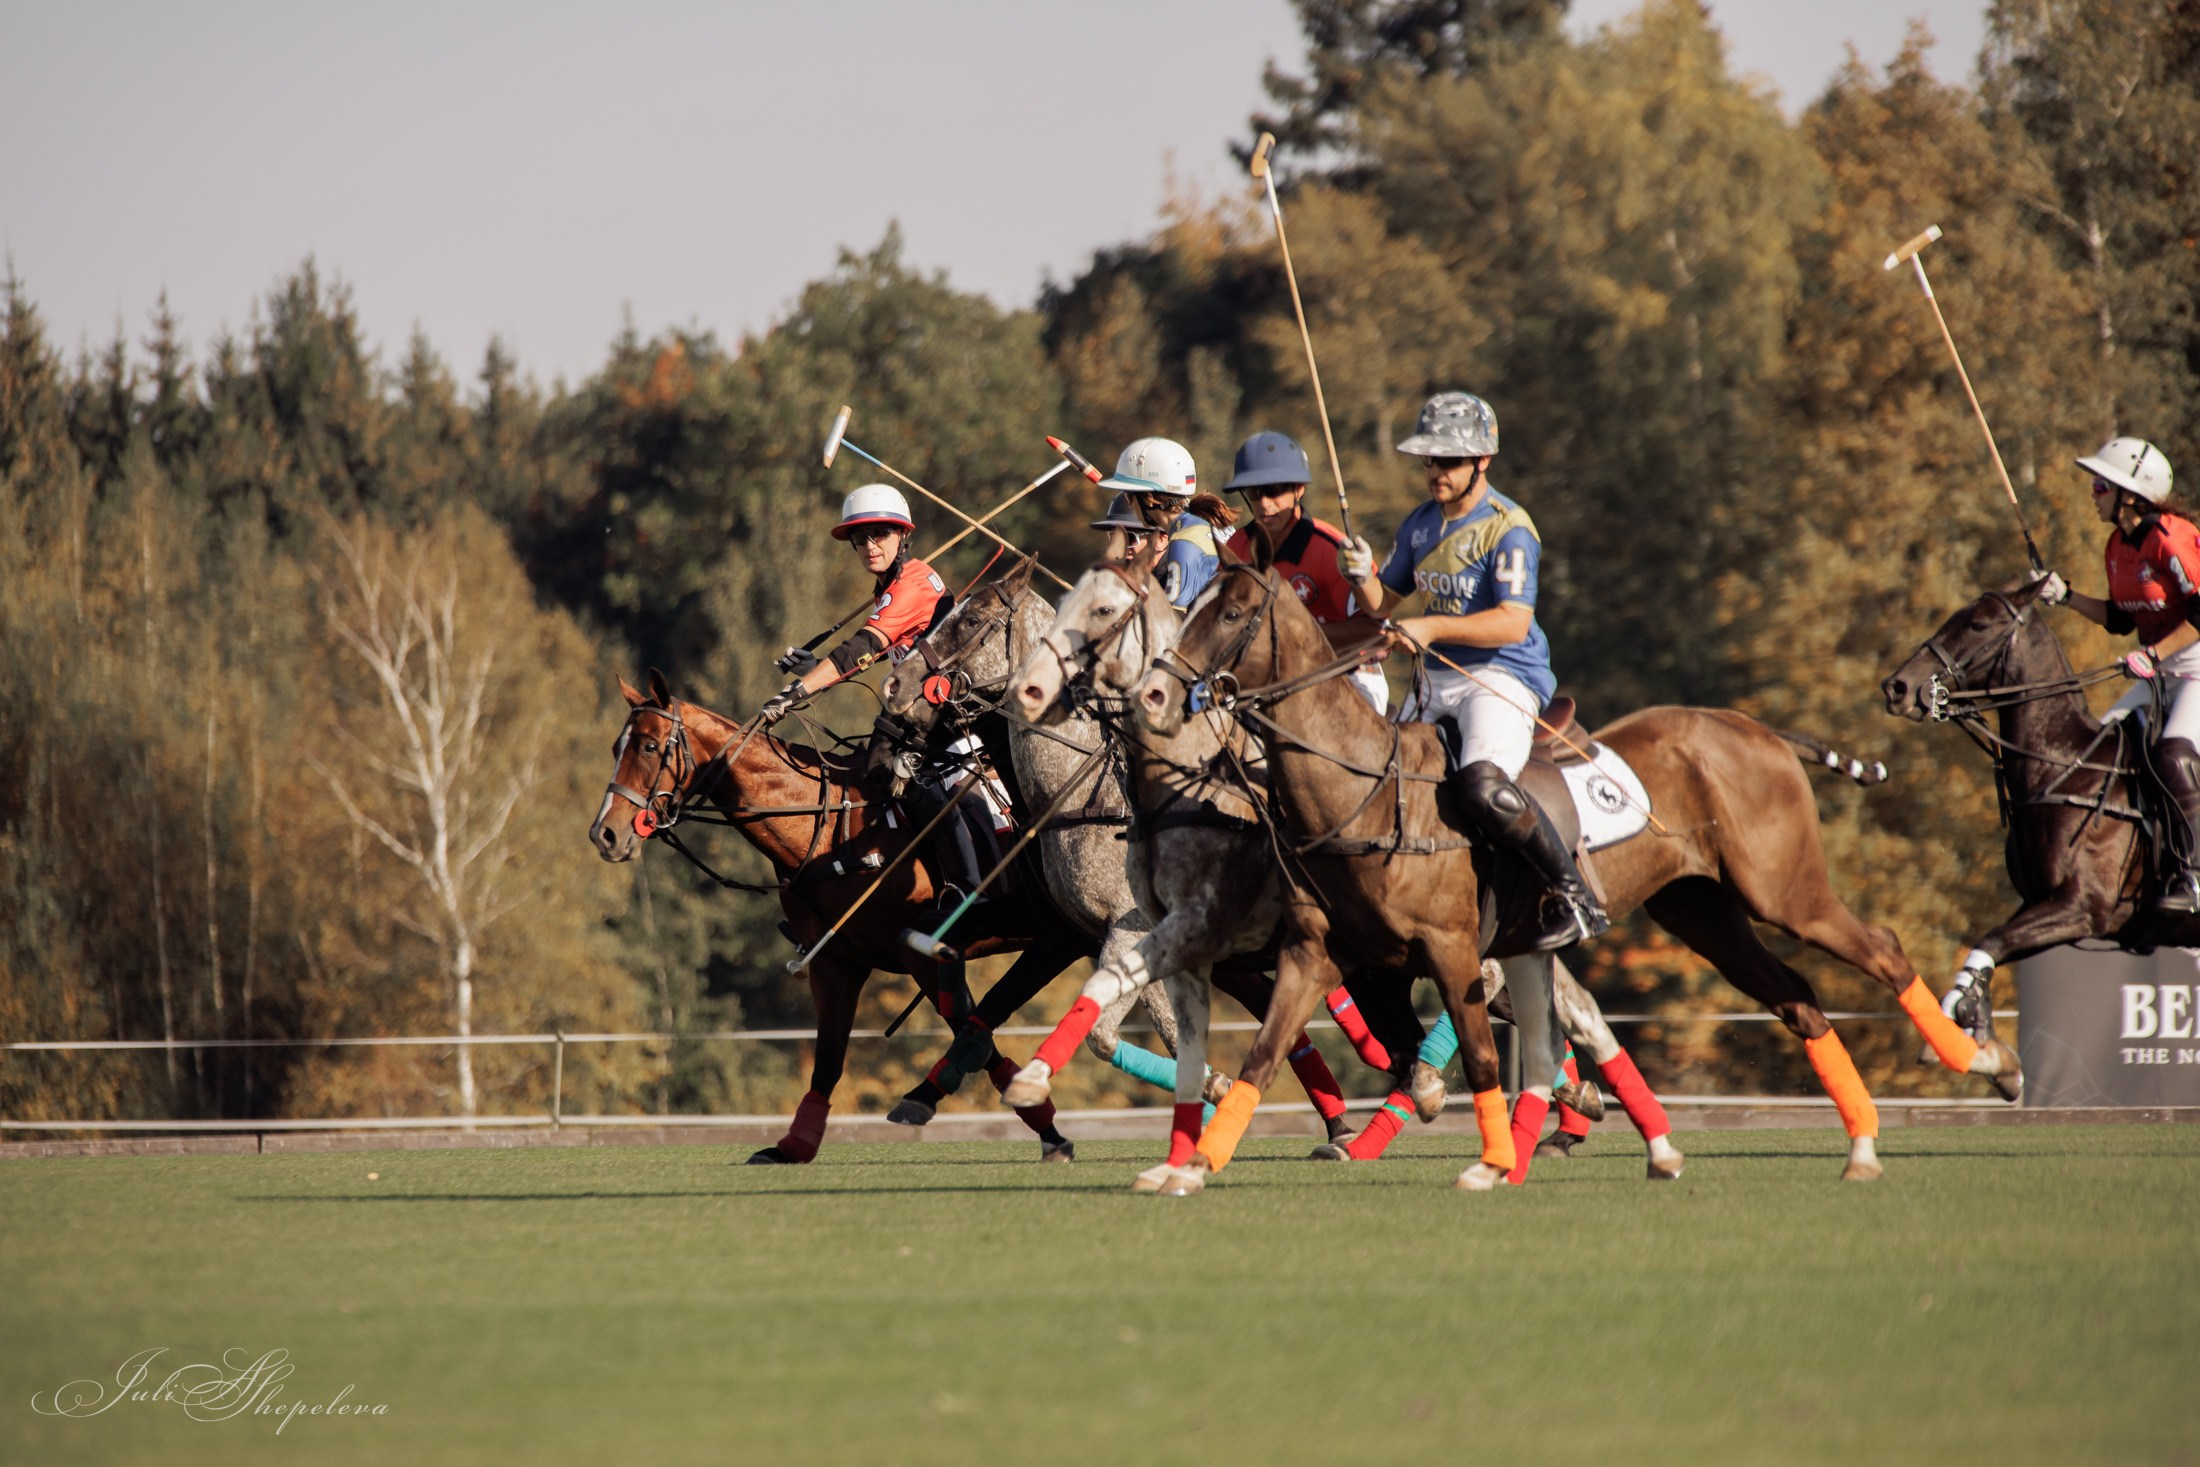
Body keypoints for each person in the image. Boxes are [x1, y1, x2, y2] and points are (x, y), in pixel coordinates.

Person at [1338, 391, 1607, 952]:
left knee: (1482, 785)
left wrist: (1431, 629)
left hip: (1501, 676)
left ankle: (1573, 894)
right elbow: (1384, 603)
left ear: (1482, 461)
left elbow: (1512, 623)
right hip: (1439, 678)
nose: (1435, 471)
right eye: (1430, 460)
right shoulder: (1419, 525)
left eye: (1449, 461)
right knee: (1377, 774)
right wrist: (1362, 575)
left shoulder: (1508, 528)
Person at [765, 485, 993, 912]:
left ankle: (970, 893)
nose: (869, 546)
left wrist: (796, 693)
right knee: (872, 767)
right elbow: (880, 655)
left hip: (953, 711)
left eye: (880, 535)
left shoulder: (914, 584)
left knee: (899, 772)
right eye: (860, 538)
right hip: (922, 710)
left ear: (902, 537)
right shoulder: (890, 586)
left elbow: (859, 649)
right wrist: (812, 668)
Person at [2033, 436, 2197, 912]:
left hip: (2195, 671)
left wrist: (2155, 654)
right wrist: (2064, 594)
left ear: (2130, 494)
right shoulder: (2115, 546)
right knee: (2095, 750)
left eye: (2101, 483)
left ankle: (2192, 878)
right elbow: (2120, 618)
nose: (2093, 491)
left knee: (2172, 755)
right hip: (2157, 674)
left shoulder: (2172, 536)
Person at [1221, 430, 1389, 713]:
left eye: (1274, 491)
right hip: (1267, 676)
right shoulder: (1237, 546)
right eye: (1255, 493)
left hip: (1348, 670)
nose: (1264, 504)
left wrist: (1291, 634)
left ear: (1299, 489)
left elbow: (1374, 629)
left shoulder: (1330, 550)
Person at [1098, 437, 1238, 608]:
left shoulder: (1185, 540)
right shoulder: (1195, 526)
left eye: (1129, 496)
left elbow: (1176, 624)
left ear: (1148, 499)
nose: (1128, 504)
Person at [1088, 492, 1154, 566]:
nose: (1120, 549)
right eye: (1114, 539)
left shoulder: (1168, 576)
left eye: (1130, 539)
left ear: (1161, 540)